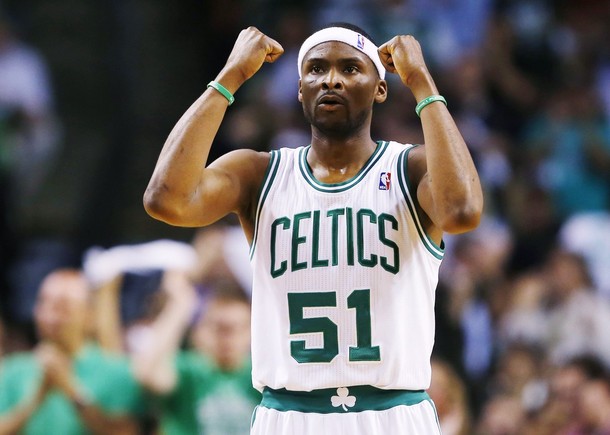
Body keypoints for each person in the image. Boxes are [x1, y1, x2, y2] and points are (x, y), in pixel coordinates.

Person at [144, 22, 483, 434]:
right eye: (317, 69)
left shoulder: (412, 168)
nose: (332, 79)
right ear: (300, 88)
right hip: (288, 415)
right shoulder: (259, 173)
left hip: (393, 413)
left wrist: (423, 84)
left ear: (380, 87)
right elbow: (166, 199)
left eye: (351, 68)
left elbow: (463, 211)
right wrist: (228, 77)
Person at [0, 269, 143, 434]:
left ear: (89, 315)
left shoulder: (117, 372)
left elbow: (125, 431)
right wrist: (36, 398)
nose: (49, 316)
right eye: (43, 303)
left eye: (63, 307)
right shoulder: (14, 369)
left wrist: (72, 390)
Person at [132, 271, 260, 434]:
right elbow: (147, 373)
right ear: (202, 330)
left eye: (236, 328)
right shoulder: (190, 371)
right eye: (219, 328)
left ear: (251, 331)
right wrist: (180, 305)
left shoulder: (260, 377)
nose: (227, 338)